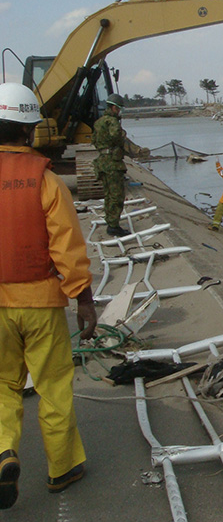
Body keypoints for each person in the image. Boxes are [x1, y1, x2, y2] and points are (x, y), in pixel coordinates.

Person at [0, 83, 97, 509]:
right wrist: (84, 298)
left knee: (2, 385)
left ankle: (3, 451)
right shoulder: (48, 181)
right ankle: (62, 468)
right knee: (54, 385)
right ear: (31, 129)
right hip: (40, 302)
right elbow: (66, 246)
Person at [91, 93, 129, 237]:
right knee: (117, 195)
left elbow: (94, 140)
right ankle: (113, 225)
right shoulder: (112, 122)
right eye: (118, 109)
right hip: (112, 163)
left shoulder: (98, 122)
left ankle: (110, 221)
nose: (119, 112)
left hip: (102, 161)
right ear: (114, 108)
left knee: (108, 194)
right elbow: (116, 137)